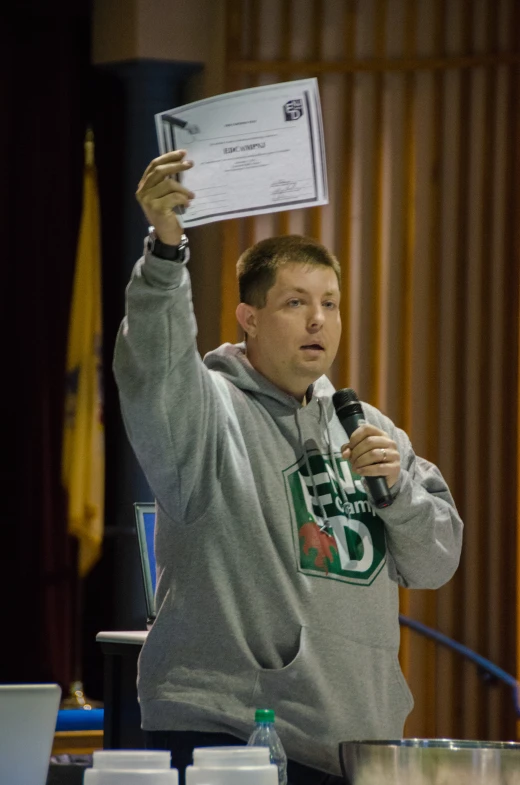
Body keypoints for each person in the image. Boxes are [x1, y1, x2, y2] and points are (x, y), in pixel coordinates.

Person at [113, 150, 463, 785]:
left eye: (330, 303)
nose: (318, 320)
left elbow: (436, 561)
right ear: (248, 318)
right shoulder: (206, 410)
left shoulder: (370, 428)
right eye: (295, 303)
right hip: (229, 736)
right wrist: (166, 251)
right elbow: (153, 365)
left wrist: (396, 494)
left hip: (359, 744)